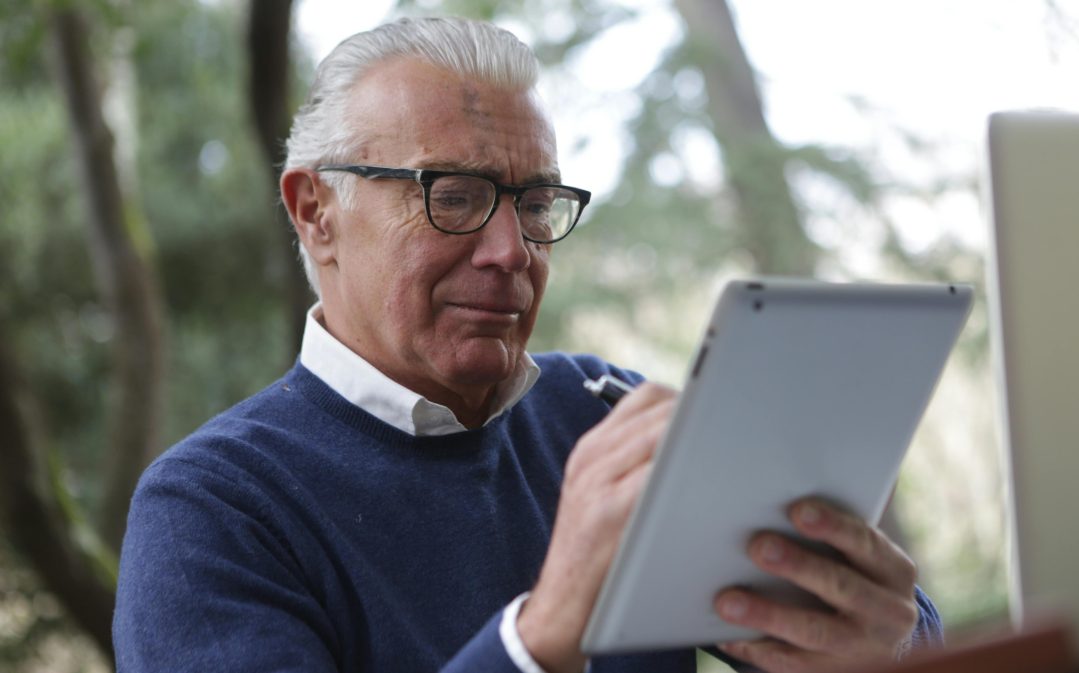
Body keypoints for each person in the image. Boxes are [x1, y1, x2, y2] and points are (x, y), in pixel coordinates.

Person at [112, 16, 941, 673]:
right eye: (454, 196)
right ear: (315, 212)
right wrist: (541, 634)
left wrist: (883, 634)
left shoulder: (601, 411)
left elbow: (872, 634)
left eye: (536, 204)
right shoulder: (211, 510)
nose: (512, 251)